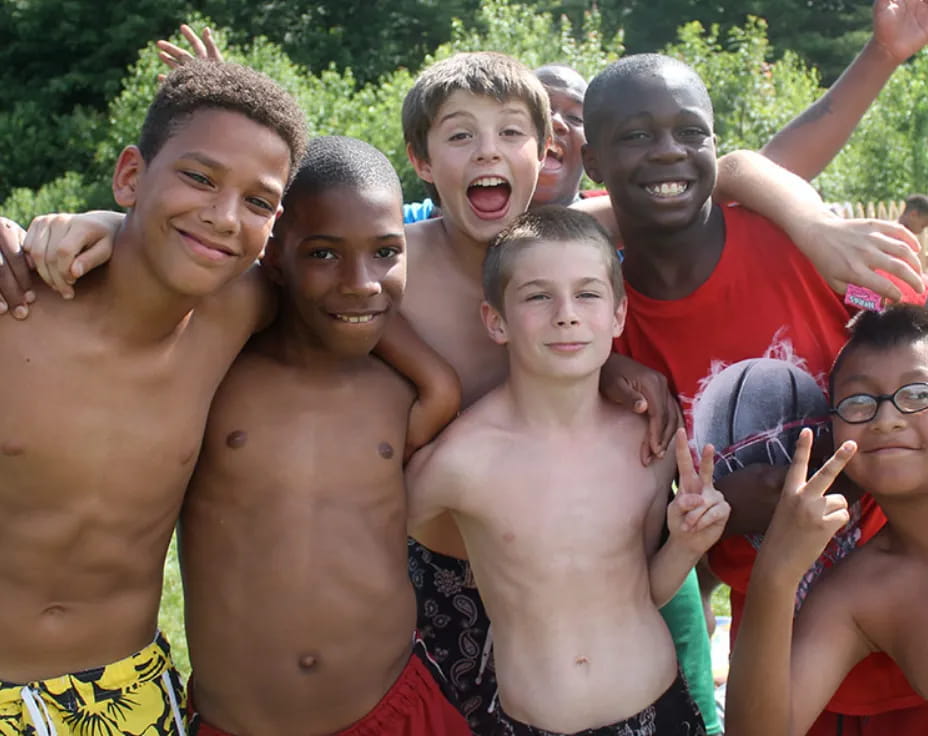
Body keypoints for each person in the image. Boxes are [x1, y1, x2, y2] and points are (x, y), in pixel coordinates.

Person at [581, 52, 928, 733]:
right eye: (636, 136)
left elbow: (912, 366)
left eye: (690, 133)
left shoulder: (808, 248)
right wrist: (705, 508)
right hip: (791, 653)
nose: (668, 151)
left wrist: (805, 216)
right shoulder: (597, 323)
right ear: (593, 161)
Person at [0, 59, 307, 735]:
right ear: (131, 174)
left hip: (128, 694)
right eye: (199, 177)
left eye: (256, 202)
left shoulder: (242, 309)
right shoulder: (15, 304)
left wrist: (115, 224)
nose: (224, 216)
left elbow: (367, 249)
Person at [180, 135, 471, 736]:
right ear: (274, 256)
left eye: (386, 251)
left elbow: (433, 379)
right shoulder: (215, 374)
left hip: (393, 709)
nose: (361, 281)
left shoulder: (403, 395)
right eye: (323, 254)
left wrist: (435, 376)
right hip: (238, 723)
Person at [407, 207, 730, 735]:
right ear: (496, 320)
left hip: (661, 712)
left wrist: (688, 545)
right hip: (530, 724)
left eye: (587, 294)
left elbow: (638, 594)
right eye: (538, 296)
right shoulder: (460, 461)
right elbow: (386, 550)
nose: (566, 314)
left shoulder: (647, 446)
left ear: (619, 315)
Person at [727, 304, 928, 736]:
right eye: (859, 402)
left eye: (918, 395)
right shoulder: (862, 592)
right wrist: (777, 570)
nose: (886, 420)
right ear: (831, 429)